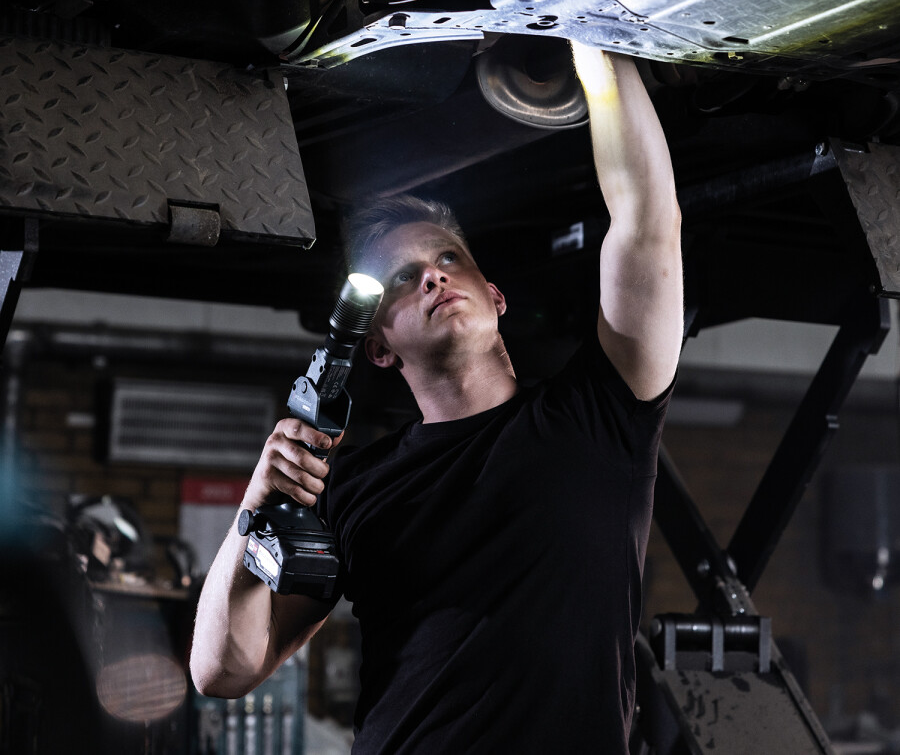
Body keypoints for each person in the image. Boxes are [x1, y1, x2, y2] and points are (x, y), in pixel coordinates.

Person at [190, 41, 683, 754]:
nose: (432, 277)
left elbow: (647, 223)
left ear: (496, 296)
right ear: (380, 347)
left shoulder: (601, 415)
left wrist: (591, 31)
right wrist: (254, 510)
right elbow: (222, 670)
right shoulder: (353, 487)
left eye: (449, 258)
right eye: (402, 278)